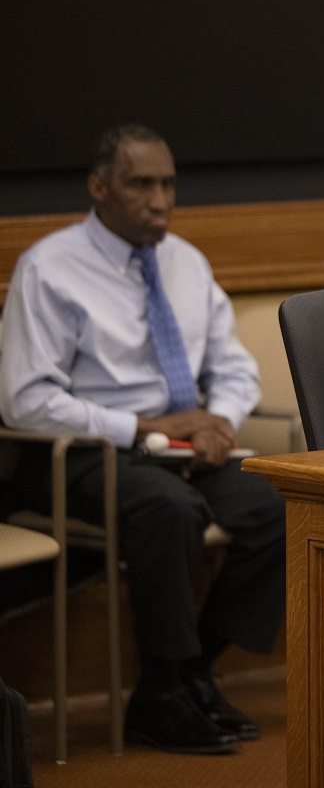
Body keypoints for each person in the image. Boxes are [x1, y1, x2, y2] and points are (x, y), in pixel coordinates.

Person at [0, 124, 284, 755]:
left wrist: (222, 422)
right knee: (167, 509)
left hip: (183, 447)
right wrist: (143, 428)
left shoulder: (185, 262)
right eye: (141, 184)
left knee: (276, 505)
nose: (161, 200)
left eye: (168, 184)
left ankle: (192, 672)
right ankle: (160, 691)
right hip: (80, 453)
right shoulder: (49, 269)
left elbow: (233, 369)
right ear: (99, 187)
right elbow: (24, 400)